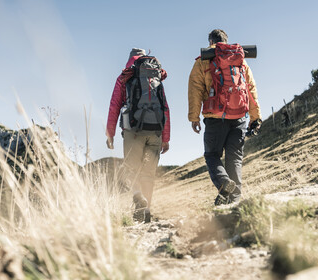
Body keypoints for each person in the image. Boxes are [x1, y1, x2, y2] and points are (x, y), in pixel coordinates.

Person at [188, 29, 262, 205]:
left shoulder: (203, 62)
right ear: (226, 41)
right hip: (239, 117)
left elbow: (195, 90)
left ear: (210, 41)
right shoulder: (240, 60)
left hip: (215, 117)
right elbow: (251, 89)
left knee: (212, 155)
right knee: (234, 157)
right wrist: (255, 117)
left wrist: (194, 117)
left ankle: (223, 182)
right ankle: (234, 200)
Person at [106, 48, 170, 222]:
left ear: (130, 59)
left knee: (132, 169)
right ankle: (147, 210)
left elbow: (115, 106)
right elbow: (165, 108)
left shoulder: (125, 76)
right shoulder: (156, 76)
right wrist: (166, 138)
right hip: (155, 131)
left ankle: (137, 197)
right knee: (148, 173)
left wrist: (110, 133)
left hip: (132, 131)